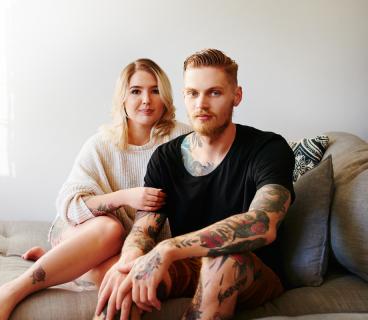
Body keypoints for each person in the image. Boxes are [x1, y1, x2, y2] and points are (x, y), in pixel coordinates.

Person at [0, 58, 192, 320]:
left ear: (166, 97)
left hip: (132, 247)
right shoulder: (102, 143)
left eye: (155, 90)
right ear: (122, 98)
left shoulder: (184, 139)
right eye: (136, 91)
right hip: (83, 230)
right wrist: (125, 197)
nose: (146, 99)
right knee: (110, 229)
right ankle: (16, 288)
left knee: (125, 275)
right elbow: (69, 207)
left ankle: (70, 265)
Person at [95, 49, 295, 320]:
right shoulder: (166, 157)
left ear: (236, 96)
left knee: (221, 261)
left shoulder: (268, 148)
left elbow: (263, 223)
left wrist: (168, 248)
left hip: (252, 271)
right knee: (126, 282)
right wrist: (130, 259)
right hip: (188, 264)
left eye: (214, 93)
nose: (201, 104)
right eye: (192, 93)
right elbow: (144, 228)